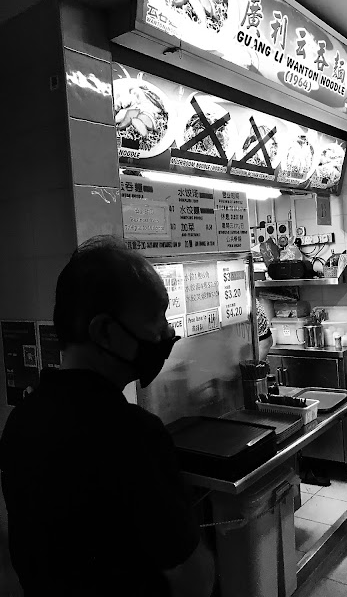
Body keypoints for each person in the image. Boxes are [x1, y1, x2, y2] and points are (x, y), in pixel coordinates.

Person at [0, 236, 215, 597]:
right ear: (104, 332)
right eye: (155, 318)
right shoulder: (132, 434)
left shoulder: (23, 419)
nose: (168, 332)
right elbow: (194, 580)